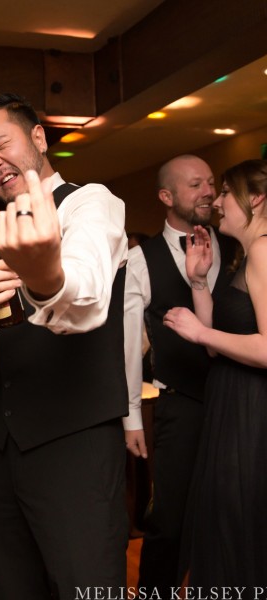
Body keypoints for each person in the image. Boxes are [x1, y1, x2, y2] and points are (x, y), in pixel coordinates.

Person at [0, 92, 129, 598]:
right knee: (10, 586)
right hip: (0, 447)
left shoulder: (91, 203)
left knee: (86, 584)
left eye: (0, 144)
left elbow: (87, 297)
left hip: (76, 444)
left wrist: (45, 276)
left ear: (38, 138)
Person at [123, 154, 237, 598]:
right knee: (169, 522)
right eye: (195, 185)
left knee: (233, 514)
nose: (208, 192)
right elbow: (128, 344)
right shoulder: (140, 259)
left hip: (240, 400)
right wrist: (132, 416)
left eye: (211, 182)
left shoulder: (238, 243)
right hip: (182, 405)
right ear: (166, 197)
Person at [163, 159, 267, 587]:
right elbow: (220, 343)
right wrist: (199, 281)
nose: (218, 201)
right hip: (232, 404)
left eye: (225, 191)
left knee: (240, 527)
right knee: (228, 527)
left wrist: (200, 331)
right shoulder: (249, 253)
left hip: (252, 412)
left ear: (255, 199)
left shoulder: (263, 251)